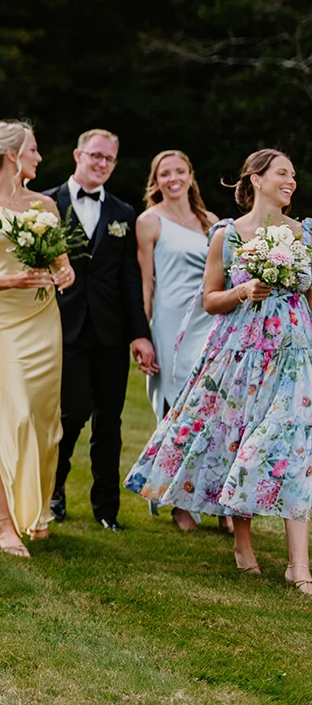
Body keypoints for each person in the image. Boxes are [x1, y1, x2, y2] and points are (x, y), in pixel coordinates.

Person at [126, 150, 312, 591]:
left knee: (293, 444)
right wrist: (245, 289)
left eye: (293, 175)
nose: (291, 181)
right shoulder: (227, 235)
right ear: (257, 179)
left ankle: (298, 565)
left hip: (293, 348)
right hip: (241, 348)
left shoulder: (303, 235)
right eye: (282, 173)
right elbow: (210, 299)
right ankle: (243, 544)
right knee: (239, 438)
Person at [0, 120, 74, 558]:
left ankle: (36, 513)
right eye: (35, 149)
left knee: (45, 422)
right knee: (15, 413)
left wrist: (64, 273)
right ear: (12, 156)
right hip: (3, 324)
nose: (40, 158)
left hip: (45, 319)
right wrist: (13, 281)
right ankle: (5, 525)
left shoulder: (46, 205)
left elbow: (63, 263)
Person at [42, 129, 156, 532]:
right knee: (69, 416)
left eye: (109, 159)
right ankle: (51, 493)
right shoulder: (46, 204)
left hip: (110, 332)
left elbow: (130, 280)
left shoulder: (123, 213)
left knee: (110, 422)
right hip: (63, 327)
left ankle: (106, 508)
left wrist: (139, 334)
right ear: (78, 154)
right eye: (95, 156)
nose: (102, 164)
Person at [137, 151, 217, 424]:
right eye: (165, 174)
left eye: (179, 171)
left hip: (209, 320)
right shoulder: (149, 222)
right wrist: (141, 334)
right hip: (170, 324)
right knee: (176, 407)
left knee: (209, 400)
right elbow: (146, 284)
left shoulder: (212, 222)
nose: (173, 178)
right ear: (156, 182)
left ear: (191, 176)